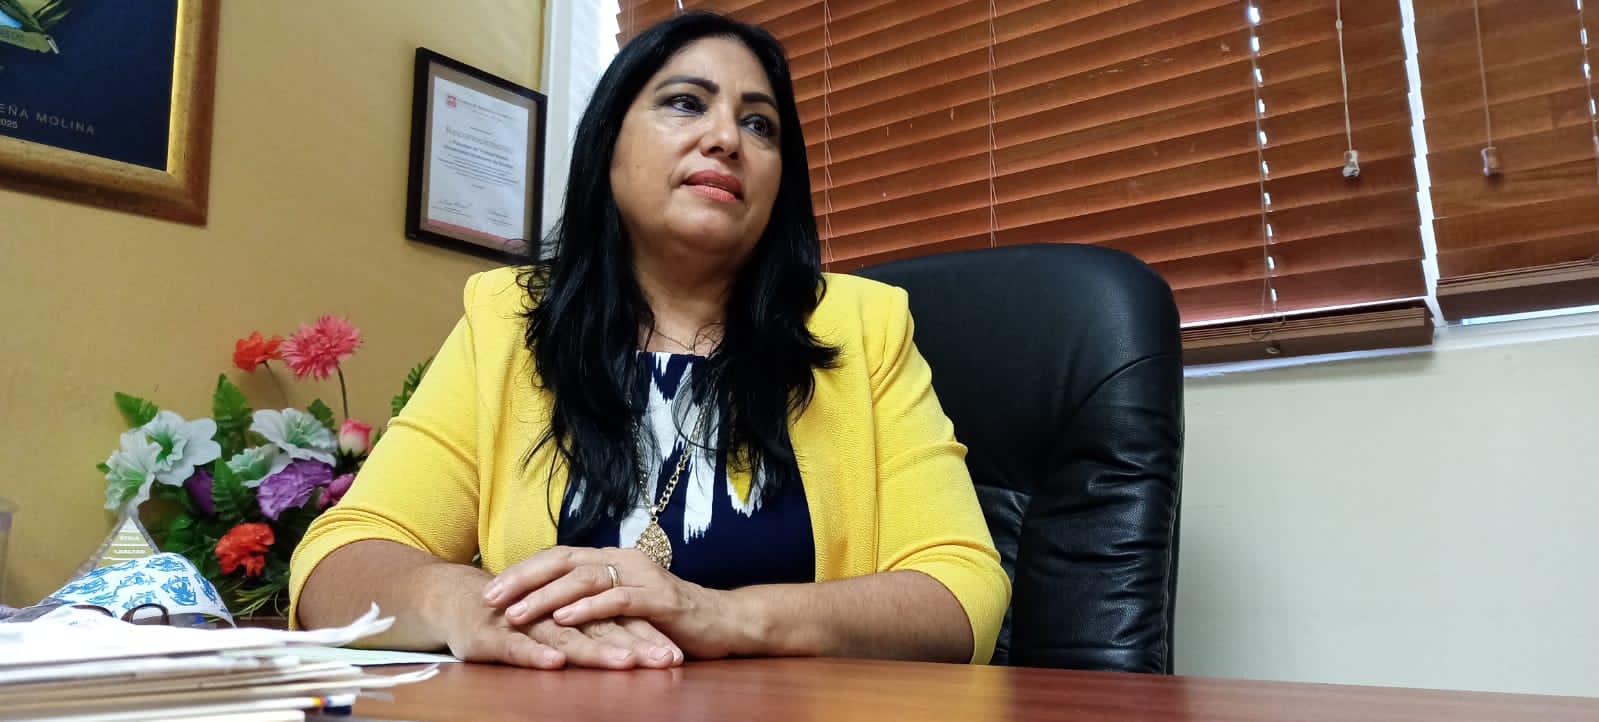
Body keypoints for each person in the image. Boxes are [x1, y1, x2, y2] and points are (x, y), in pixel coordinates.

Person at [289, 11, 1009, 669]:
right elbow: (335, 563)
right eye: (686, 103)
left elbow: (961, 591)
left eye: (759, 125)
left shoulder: (864, 325)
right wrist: (463, 602)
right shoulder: (507, 319)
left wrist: (725, 615)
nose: (726, 138)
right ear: (608, 142)